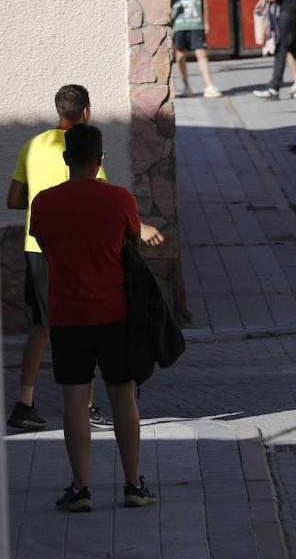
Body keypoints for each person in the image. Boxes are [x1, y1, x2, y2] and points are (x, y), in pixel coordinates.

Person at [6, 86, 163, 434]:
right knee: (86, 322)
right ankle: (89, 405)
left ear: (57, 109)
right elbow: (102, 200)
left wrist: (41, 203)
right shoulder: (85, 150)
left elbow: (15, 199)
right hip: (78, 254)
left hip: (39, 250)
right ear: (88, 112)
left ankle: (25, 402)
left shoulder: (33, 145)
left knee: (42, 327)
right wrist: (144, 226)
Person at [30, 125, 161, 512]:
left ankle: (81, 487)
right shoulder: (119, 199)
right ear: (100, 159)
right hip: (115, 312)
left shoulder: (45, 202)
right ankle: (134, 484)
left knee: (74, 399)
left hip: (68, 314)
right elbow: (131, 241)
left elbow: (43, 244)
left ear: (66, 159)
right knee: (123, 395)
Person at [168, 0, 222, 98]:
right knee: (180, 55)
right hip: (179, 24)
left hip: (195, 23)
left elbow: (204, 0)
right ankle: (186, 86)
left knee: (201, 53)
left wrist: (206, 22)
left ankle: (209, 85)